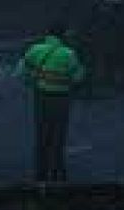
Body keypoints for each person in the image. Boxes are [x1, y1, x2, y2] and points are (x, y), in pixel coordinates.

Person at [16, 23, 86, 181]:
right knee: (58, 135)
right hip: (61, 99)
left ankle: (40, 173)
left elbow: (20, 72)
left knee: (42, 134)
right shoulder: (69, 54)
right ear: (63, 35)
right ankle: (57, 173)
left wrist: (32, 82)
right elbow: (78, 77)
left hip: (41, 96)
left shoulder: (35, 50)